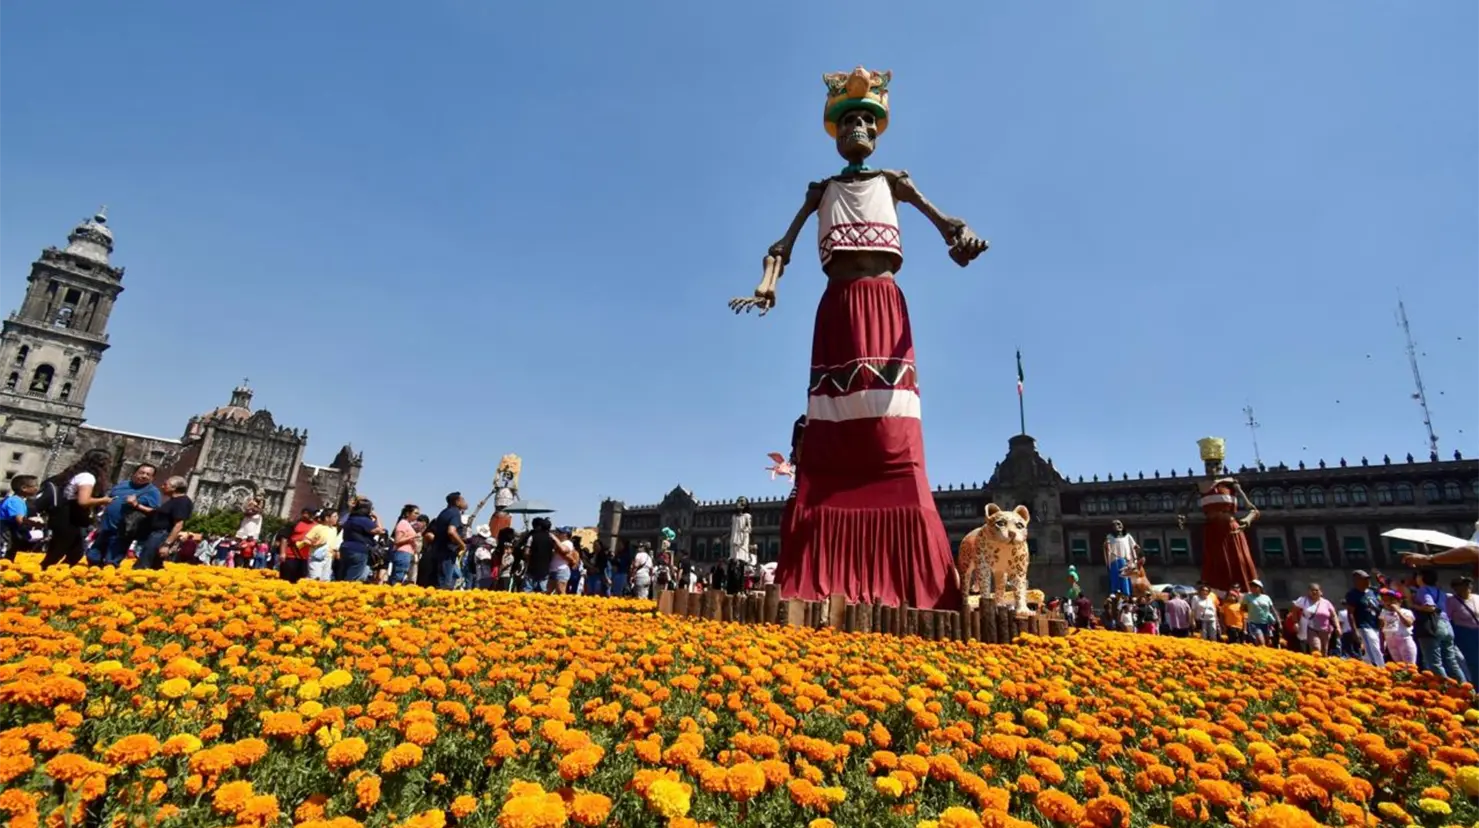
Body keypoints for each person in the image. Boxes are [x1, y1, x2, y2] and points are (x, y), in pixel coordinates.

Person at [734, 67, 988, 611]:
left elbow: (947, 225)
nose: (855, 127)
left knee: (892, 435)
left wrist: (960, 239)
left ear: (876, 131)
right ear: (836, 131)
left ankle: (908, 573)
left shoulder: (895, 182)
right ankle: (824, 562)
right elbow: (781, 246)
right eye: (847, 120)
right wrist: (766, 287)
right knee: (833, 431)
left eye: (864, 120)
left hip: (884, 305)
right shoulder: (821, 190)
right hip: (838, 311)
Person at [1176, 437, 1260, 594]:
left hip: (1231, 528)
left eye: (1216, 464)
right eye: (1208, 464)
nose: (1212, 468)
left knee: (1238, 562)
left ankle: (1242, 594)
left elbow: (1254, 510)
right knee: (1215, 564)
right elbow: (1183, 509)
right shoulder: (1199, 486)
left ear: (1221, 465)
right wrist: (1182, 518)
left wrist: (1246, 521)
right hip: (1212, 530)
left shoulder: (1231, 484)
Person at [40, 449, 114, 569]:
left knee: (76, 552)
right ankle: (40, 575)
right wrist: (104, 500)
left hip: (66, 517)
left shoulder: (76, 473)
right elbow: (83, 501)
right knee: (57, 553)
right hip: (69, 518)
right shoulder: (87, 477)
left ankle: (55, 575)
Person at [89, 464, 161, 567]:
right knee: (93, 556)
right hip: (106, 528)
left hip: (123, 531)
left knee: (111, 562)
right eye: (142, 472)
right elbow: (109, 498)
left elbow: (155, 511)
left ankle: (107, 579)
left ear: (152, 478)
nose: (144, 476)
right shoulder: (122, 484)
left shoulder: (153, 491)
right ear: (135, 473)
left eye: (148, 474)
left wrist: (137, 505)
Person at [1412, 569, 1469, 682]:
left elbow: (1430, 607)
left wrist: (1413, 605)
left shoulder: (1424, 589)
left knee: (1434, 663)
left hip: (1433, 626)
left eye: (1418, 576)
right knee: (1451, 661)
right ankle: (1466, 689)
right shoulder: (1440, 592)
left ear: (1422, 577)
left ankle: (1444, 689)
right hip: (1447, 626)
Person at [131, 476, 193, 570]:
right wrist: (137, 505)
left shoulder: (182, 502)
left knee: (145, 565)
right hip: (157, 535)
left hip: (161, 535)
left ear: (174, 488)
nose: (162, 486)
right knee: (151, 564)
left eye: (165, 485)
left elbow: (178, 524)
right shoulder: (173, 501)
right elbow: (155, 512)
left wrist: (166, 544)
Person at [424, 492, 467, 590]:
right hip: (447, 552)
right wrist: (462, 545)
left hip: (437, 550)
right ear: (457, 502)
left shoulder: (443, 513)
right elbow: (451, 531)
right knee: (444, 584)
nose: (465, 502)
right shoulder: (455, 513)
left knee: (436, 582)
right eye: (463, 500)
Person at [1345, 570, 1385, 667]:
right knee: (1374, 648)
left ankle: (1368, 669)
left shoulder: (1373, 592)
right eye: (1365, 579)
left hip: (1375, 625)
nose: (1368, 581)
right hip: (1363, 626)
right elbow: (1350, 613)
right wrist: (1354, 631)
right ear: (1357, 580)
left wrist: (1382, 618)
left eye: (1368, 579)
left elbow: (1380, 606)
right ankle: (1381, 669)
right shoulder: (1353, 594)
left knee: (1372, 650)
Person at [339, 498, 381, 583]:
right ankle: (347, 594)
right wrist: (377, 517)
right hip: (359, 550)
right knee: (353, 578)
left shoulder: (350, 518)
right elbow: (380, 530)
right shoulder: (364, 520)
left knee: (343, 575)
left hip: (345, 548)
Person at [0, 474, 40, 560]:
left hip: (8, 533)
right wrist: (35, 524)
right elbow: (20, 520)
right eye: (35, 486)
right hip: (6, 533)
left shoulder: (17, 500)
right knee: (4, 557)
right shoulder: (16, 501)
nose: (37, 488)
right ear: (24, 488)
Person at [1446, 576, 1479, 678]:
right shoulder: (1451, 601)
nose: (1468, 586)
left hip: (1477, 631)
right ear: (1456, 588)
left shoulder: (1477, 598)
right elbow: (1448, 617)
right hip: (1464, 633)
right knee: (1474, 661)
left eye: (1469, 583)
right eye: (1464, 584)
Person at [1296, 584, 1340, 656]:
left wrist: (1338, 627)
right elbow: (1294, 610)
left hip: (1326, 630)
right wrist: (1296, 622)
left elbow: (1333, 615)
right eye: (1312, 590)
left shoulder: (1327, 603)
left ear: (1321, 592)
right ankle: (1315, 664)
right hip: (1312, 628)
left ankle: (1322, 665)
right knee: (1316, 648)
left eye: (1316, 590)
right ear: (1308, 592)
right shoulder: (1304, 601)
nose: (1314, 592)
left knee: (1324, 650)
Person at [278, 507, 318, 584]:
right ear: (303, 514)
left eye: (313, 514)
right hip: (291, 555)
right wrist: (282, 553)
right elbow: (284, 538)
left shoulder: (316, 526)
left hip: (305, 557)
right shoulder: (295, 523)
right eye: (309, 514)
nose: (312, 516)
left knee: (300, 580)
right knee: (286, 580)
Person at [1379, 588, 1417, 664]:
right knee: (1399, 666)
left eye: (1390, 600)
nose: (1388, 602)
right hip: (1390, 642)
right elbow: (1382, 629)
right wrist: (1382, 644)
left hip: (1404, 641)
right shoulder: (1383, 613)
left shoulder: (1406, 612)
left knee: (1409, 666)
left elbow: (1408, 623)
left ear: (1399, 601)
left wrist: (1398, 611)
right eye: (1385, 600)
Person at [1103, 520, 1140, 596]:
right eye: (1115, 524)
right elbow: (1107, 548)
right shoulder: (1109, 537)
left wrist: (1136, 551)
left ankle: (1127, 595)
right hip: (1114, 561)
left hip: (1127, 562)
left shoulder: (1128, 536)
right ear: (1112, 528)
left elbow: (1134, 547)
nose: (1118, 526)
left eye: (1119, 524)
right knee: (1115, 581)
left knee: (1126, 581)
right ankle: (1116, 594)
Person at [389, 504, 420, 586]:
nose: (417, 516)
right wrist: (413, 536)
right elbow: (397, 541)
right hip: (402, 553)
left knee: (401, 576)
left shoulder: (408, 524)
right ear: (407, 513)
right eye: (415, 513)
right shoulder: (403, 524)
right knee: (398, 576)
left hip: (407, 554)